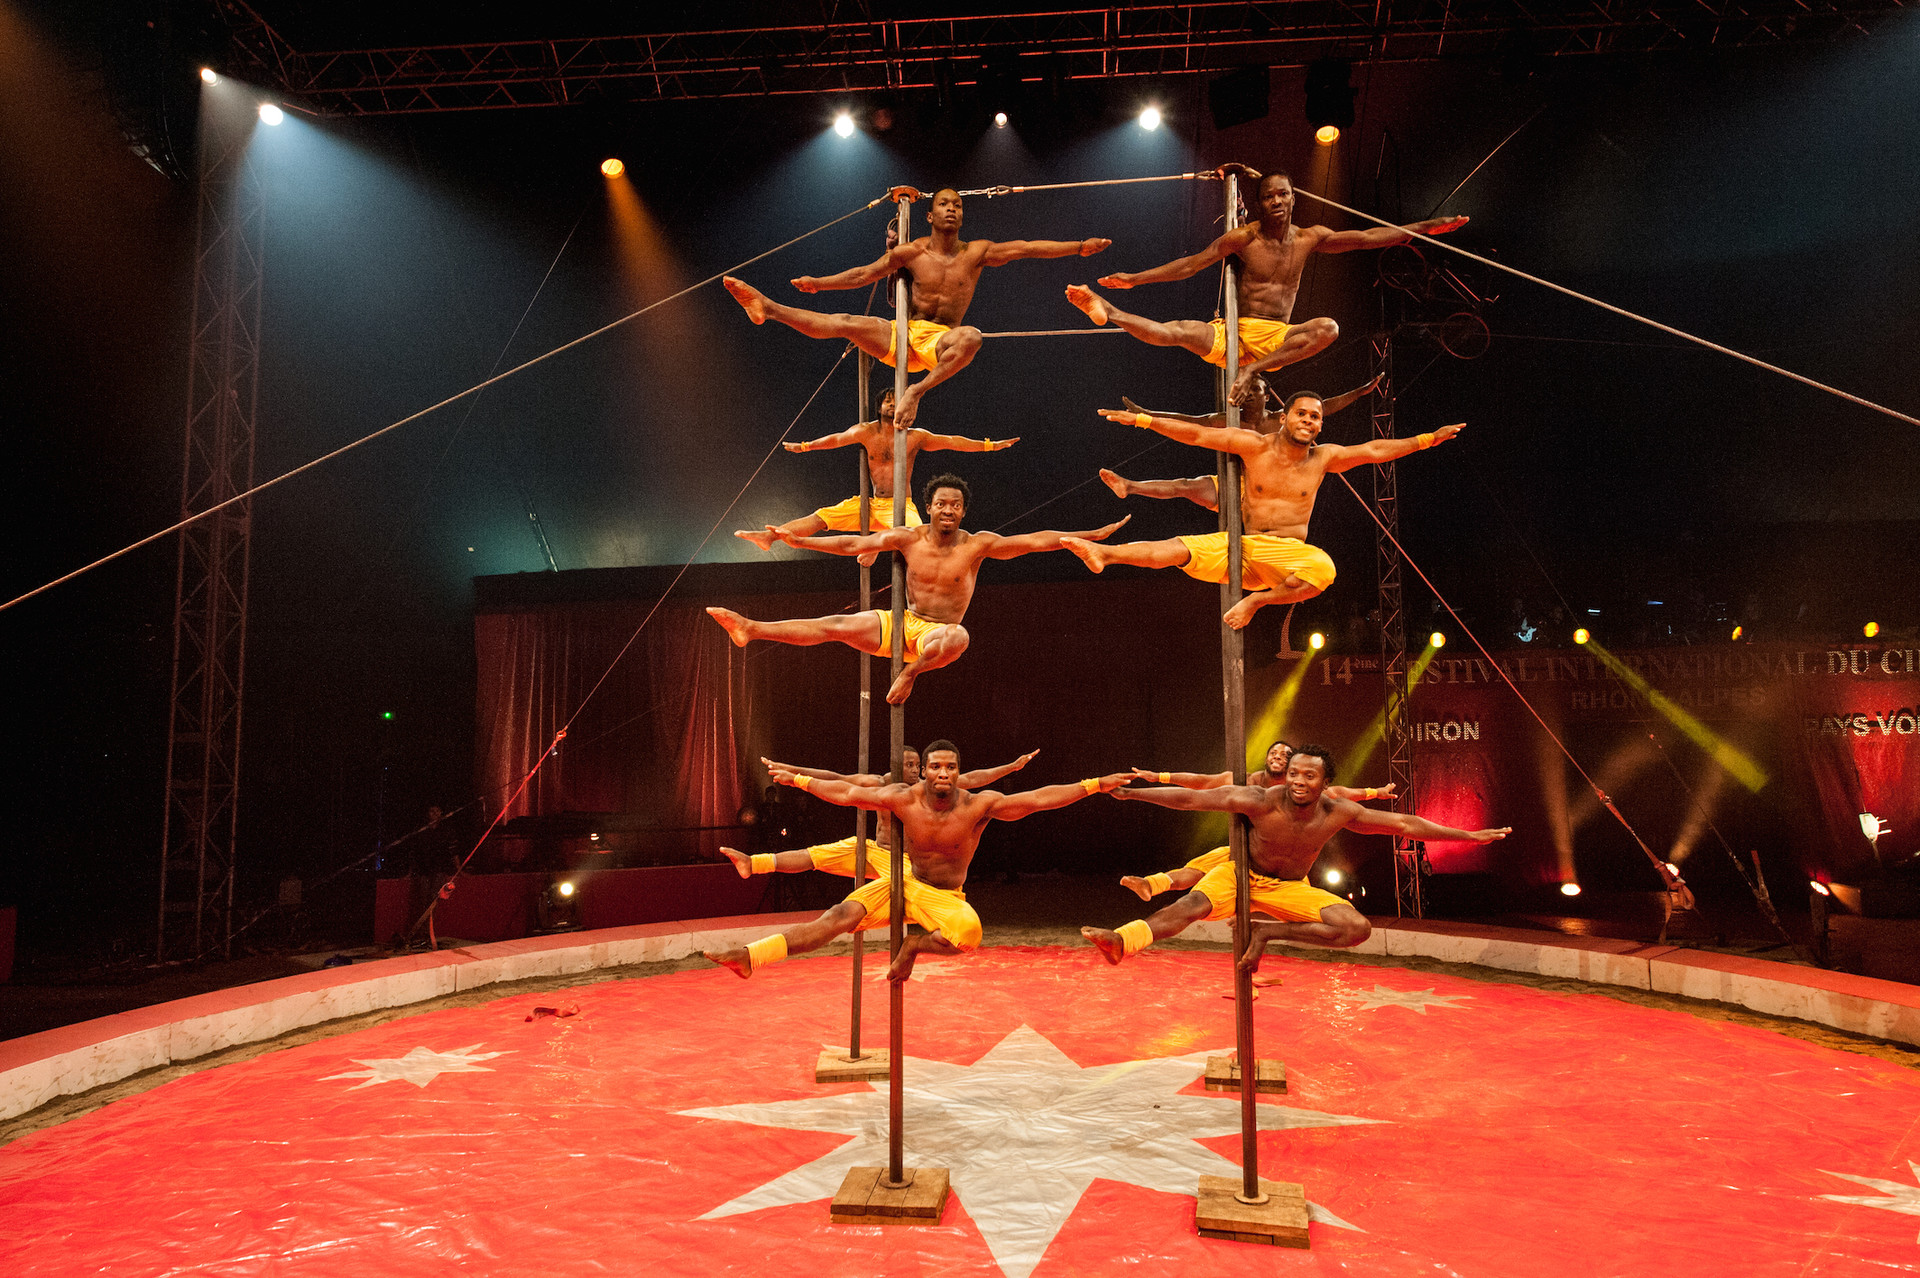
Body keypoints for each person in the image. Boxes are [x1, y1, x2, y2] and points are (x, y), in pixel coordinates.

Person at [704, 742, 1132, 981]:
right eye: (936, 767)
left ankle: (912, 946)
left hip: (943, 896)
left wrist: (1094, 785)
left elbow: (1038, 799)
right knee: (837, 917)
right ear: (924, 771)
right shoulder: (903, 798)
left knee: (969, 933)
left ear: (958, 772)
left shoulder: (978, 805)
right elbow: (848, 792)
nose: (943, 773)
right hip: (903, 881)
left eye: (951, 767)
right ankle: (751, 956)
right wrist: (800, 780)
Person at [1084, 744, 1508, 972]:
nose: (1298, 781)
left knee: (1356, 928)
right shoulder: (1261, 800)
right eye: (1293, 774)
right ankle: (1124, 941)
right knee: (1191, 903)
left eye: (1309, 775)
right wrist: (1134, 794)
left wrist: (1468, 835)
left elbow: (1404, 824)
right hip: (1241, 874)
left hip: (1289, 889)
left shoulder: (1338, 811)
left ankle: (1267, 933)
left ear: (1326, 782)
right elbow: (1193, 798)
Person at [710, 474, 1128, 703]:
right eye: (941, 504)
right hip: (904, 623)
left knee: (959, 636)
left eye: (956, 505)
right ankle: (751, 628)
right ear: (928, 507)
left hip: (937, 636)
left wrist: (1088, 536)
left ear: (963, 512)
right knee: (833, 625)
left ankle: (909, 675)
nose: (948, 510)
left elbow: (1035, 540)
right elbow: (854, 544)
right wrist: (800, 542)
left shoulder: (977, 544)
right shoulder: (909, 538)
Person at [1062, 391, 1462, 629]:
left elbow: (1375, 450)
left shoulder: (1324, 457)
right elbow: (1198, 434)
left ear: (1320, 426)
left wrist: (1427, 439)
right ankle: (1104, 554)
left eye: (1316, 417)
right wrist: (1144, 420)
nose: (1309, 421)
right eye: (1302, 413)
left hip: (1286, 557)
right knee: (1178, 548)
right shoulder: (1255, 446)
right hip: (1245, 547)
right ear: (1284, 418)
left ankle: (1256, 602)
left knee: (1324, 569)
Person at [1066, 166, 1468, 402]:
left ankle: (1251, 371)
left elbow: (1366, 238)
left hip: (1275, 339)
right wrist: (1135, 279)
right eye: (1270, 196)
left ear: (1293, 199)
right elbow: (1192, 264)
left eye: (1283, 195)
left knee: (1328, 328)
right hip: (1235, 331)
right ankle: (1108, 309)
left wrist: (1424, 227)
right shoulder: (1245, 238)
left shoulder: (1310, 237)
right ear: (1260, 203)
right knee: (1177, 332)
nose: (1277, 201)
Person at [723, 187, 1112, 427]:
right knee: (845, 321)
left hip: (938, 343)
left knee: (972, 337)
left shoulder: (977, 252)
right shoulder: (912, 252)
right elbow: (865, 274)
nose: (952, 209)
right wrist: (819, 283)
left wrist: (1079, 248)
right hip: (903, 332)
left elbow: (1027, 248)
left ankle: (915, 393)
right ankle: (767, 307)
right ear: (930, 214)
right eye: (944, 204)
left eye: (957, 205)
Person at [735, 388, 1018, 565]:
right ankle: (768, 537)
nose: (893, 406)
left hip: (900, 505)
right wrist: (806, 446)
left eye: (897, 402)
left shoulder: (915, 437)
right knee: (821, 517)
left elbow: (953, 441)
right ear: (879, 406)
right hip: (871, 503)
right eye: (889, 401)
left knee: (919, 540)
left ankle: (875, 545)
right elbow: (836, 439)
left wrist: (989, 445)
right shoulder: (866, 431)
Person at [1118, 739, 1393, 903]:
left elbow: (1343, 794)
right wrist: (1160, 777)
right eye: (1274, 753)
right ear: (1266, 759)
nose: (1278, 757)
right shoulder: (1248, 782)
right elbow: (1201, 783)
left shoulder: (1305, 789)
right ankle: (1151, 884)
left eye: (1285, 755)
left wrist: (1375, 793)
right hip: (1247, 850)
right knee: (1201, 868)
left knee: (1294, 913)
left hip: (1287, 866)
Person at [718, 747, 1039, 878]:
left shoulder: (930, 788)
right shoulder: (881, 784)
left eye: (917, 765)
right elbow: (836, 778)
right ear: (897, 766)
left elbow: (975, 778)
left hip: (907, 866)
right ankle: (754, 863)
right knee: (821, 854)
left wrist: (1010, 767)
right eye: (908, 764)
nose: (914, 769)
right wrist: (792, 770)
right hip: (877, 854)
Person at [1097, 374, 1379, 511]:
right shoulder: (1227, 419)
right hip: (1234, 486)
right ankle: (1129, 486)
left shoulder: (1280, 420)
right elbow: (1189, 422)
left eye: (1255, 390)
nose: (1249, 394)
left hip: (1271, 491)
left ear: (1267, 395)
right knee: (1184, 486)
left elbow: (1325, 406)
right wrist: (1145, 414)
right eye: (1245, 390)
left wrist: (1359, 392)